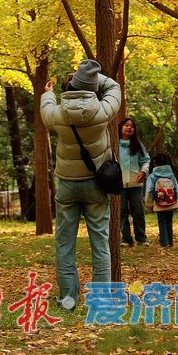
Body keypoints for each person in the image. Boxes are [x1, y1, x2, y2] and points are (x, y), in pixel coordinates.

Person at [40, 58, 121, 311]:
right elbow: (115, 87)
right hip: (96, 185)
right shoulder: (103, 111)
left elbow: (46, 109)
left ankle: (68, 298)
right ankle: (101, 299)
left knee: (65, 243)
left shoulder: (58, 113)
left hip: (67, 185)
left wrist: (49, 93)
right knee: (100, 243)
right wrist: (94, 76)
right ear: (94, 86)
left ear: (71, 85)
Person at [119, 117, 150, 246]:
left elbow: (146, 160)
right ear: (120, 128)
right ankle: (126, 239)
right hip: (118, 184)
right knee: (122, 212)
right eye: (126, 125)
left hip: (135, 184)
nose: (129, 127)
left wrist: (143, 172)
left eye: (132, 126)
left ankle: (141, 238)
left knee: (138, 211)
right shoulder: (114, 144)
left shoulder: (138, 145)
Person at [144, 152, 178, 247]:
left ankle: (164, 243)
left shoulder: (152, 176)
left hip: (159, 203)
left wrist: (148, 203)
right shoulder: (171, 175)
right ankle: (170, 242)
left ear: (155, 162)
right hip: (171, 202)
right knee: (169, 221)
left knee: (162, 221)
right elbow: (176, 188)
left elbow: (149, 190)